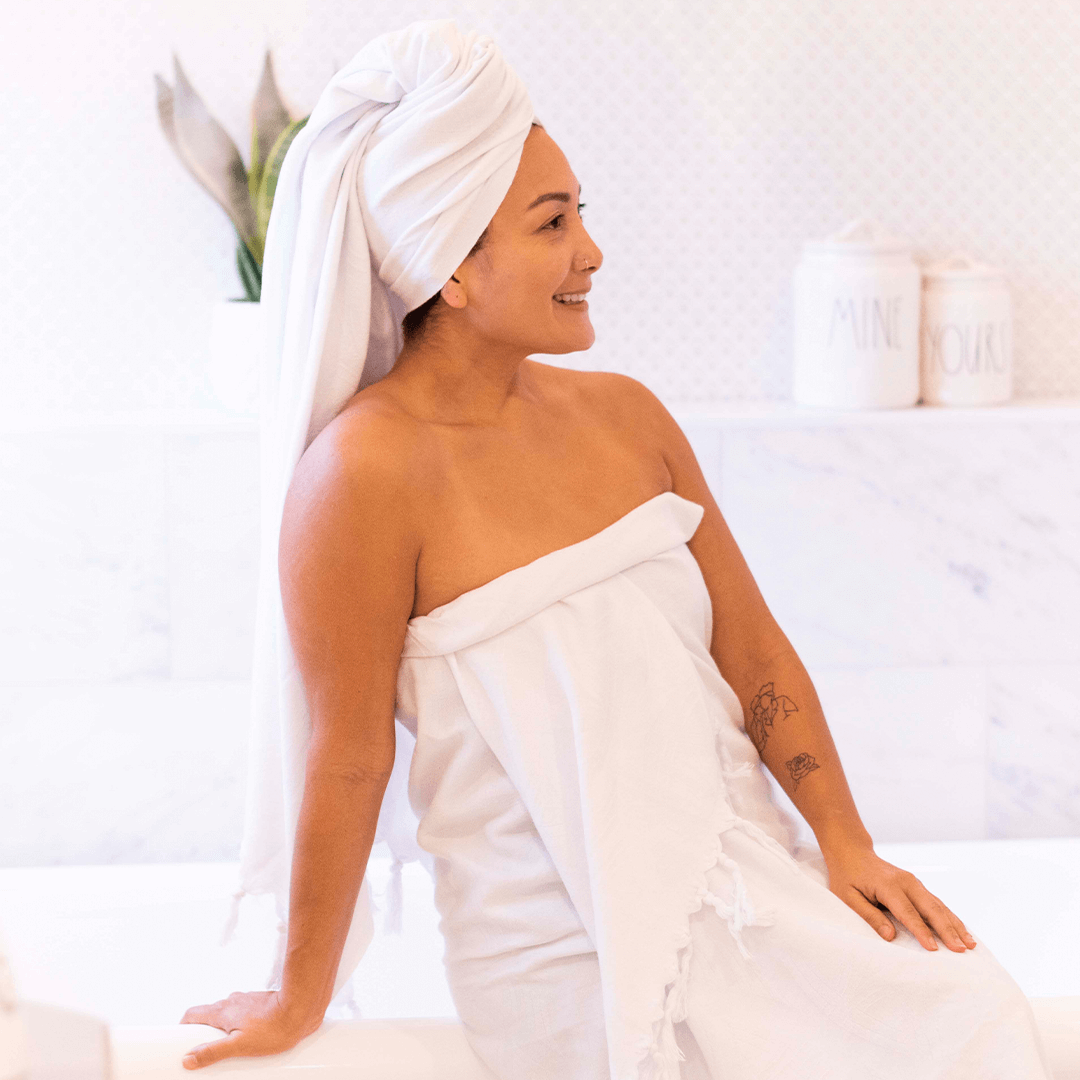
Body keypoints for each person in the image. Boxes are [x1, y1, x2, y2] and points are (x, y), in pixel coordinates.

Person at [179, 20, 1054, 1080]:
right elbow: (351, 754)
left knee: (978, 1021)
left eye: (579, 215)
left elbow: (754, 650)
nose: (590, 251)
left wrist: (844, 841)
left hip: (745, 892)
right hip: (554, 954)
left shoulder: (629, 420)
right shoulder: (362, 476)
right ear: (450, 269)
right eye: (553, 224)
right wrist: (296, 993)